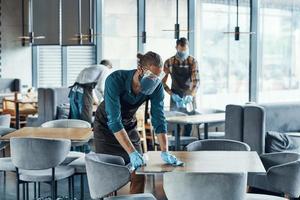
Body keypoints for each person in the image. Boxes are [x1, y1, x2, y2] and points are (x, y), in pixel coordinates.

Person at [94, 52, 183, 194]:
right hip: (105, 126)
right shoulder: (115, 79)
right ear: (140, 69)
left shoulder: (156, 87)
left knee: (139, 172)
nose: (155, 80)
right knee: (107, 175)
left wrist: (165, 150)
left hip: (128, 125)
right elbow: (114, 121)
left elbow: (159, 119)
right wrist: (132, 153)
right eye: (152, 76)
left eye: (158, 77)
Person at [162, 37, 200, 136]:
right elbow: (162, 82)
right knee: (175, 123)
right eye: (181, 50)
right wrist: (171, 94)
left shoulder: (192, 61)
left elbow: (196, 81)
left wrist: (191, 95)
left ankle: (186, 147)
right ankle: (175, 148)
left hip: (189, 95)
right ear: (176, 47)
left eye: (185, 50)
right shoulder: (168, 62)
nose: (183, 52)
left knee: (189, 123)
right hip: (175, 95)